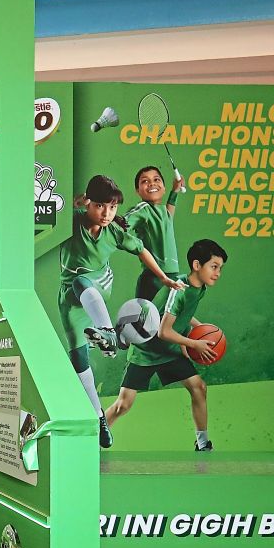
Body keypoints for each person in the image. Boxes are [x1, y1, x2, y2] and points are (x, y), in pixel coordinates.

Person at [58, 174, 182, 449]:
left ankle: (109, 333)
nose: (107, 213)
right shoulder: (73, 220)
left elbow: (142, 250)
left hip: (98, 286)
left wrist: (163, 277)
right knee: (79, 362)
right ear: (89, 203)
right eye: (101, 205)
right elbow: (54, 209)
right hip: (70, 298)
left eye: (112, 207)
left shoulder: (114, 231)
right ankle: (99, 417)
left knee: (82, 281)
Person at [105, 239, 227, 452]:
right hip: (147, 350)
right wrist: (193, 343)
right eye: (214, 267)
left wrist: (202, 328)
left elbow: (183, 314)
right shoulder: (178, 289)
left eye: (220, 268)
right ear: (197, 265)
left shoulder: (199, 288)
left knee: (198, 387)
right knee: (123, 405)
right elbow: (164, 331)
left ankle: (202, 442)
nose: (218, 273)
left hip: (169, 350)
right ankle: (91, 439)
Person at [125, 165, 186, 301]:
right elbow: (121, 224)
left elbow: (168, 218)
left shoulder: (164, 212)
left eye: (156, 179)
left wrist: (175, 191)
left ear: (164, 188)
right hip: (153, 279)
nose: (152, 183)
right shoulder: (143, 209)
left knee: (171, 319)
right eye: (145, 181)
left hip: (173, 276)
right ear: (137, 191)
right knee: (144, 321)